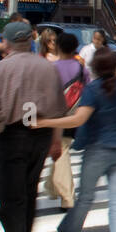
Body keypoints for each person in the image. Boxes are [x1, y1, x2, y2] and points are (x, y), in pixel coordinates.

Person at [34, 49, 116, 232]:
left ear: (94, 69)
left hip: (97, 150)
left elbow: (79, 119)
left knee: (85, 197)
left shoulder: (93, 90)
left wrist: (45, 123)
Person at [0, 21, 66, 232]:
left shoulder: (0, 69)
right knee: (28, 190)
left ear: (7, 41)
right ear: (31, 39)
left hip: (13, 134)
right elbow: (58, 106)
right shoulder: (47, 68)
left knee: (10, 195)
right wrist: (56, 139)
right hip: (40, 133)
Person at [43, 32, 86, 212]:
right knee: (60, 150)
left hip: (56, 115)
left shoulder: (51, 68)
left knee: (61, 152)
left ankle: (67, 197)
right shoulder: (82, 68)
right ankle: (51, 186)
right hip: (75, 115)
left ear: (58, 46)